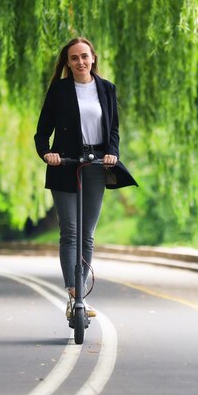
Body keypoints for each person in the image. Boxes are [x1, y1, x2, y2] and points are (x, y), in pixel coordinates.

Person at [34, 37, 137, 322]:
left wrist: (112, 154)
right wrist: (47, 154)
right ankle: (73, 294)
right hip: (65, 163)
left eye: (84, 56)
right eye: (74, 58)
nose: (80, 62)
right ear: (67, 63)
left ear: (93, 58)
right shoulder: (59, 91)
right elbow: (42, 133)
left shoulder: (106, 89)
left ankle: (82, 293)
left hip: (95, 164)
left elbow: (113, 131)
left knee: (87, 235)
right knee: (70, 232)